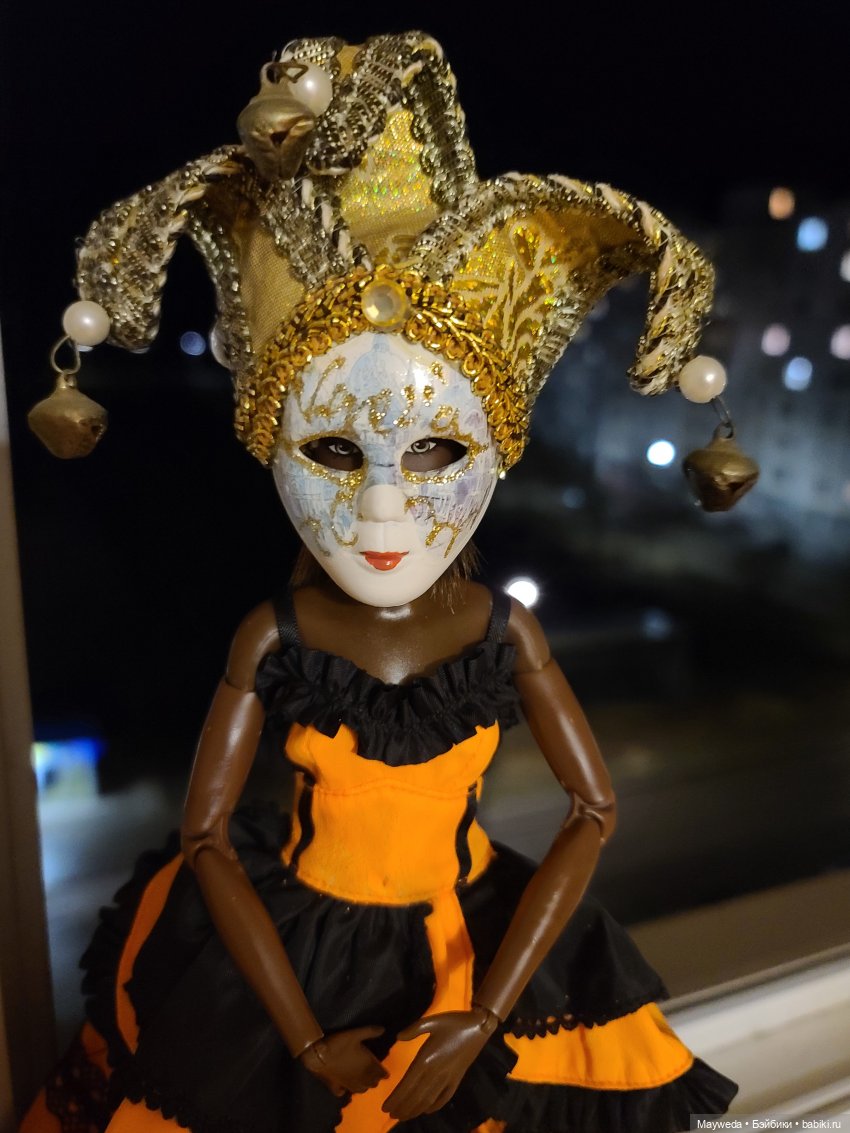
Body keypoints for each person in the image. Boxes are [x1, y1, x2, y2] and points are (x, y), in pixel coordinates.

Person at [24, 32, 741, 1133]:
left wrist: (486, 1009)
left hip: (467, 947)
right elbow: (205, 839)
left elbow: (594, 808)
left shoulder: (502, 632)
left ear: (497, 452)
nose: (384, 513)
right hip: (298, 951)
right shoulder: (275, 634)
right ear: (270, 447)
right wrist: (305, 1037)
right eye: (333, 452)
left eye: (436, 451)